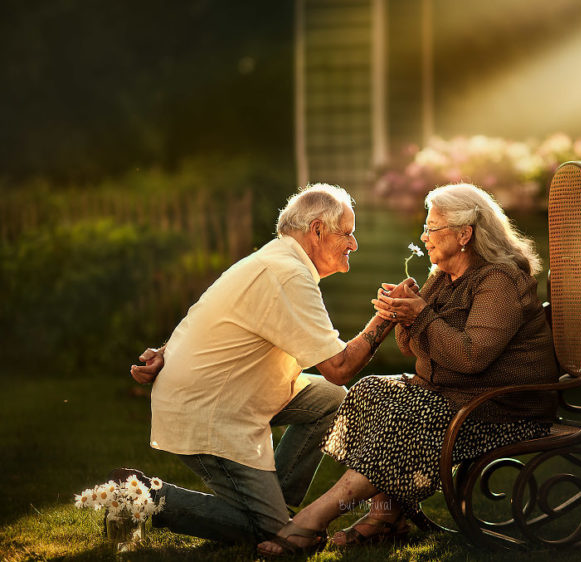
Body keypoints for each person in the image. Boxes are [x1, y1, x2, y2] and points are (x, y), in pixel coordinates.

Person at [257, 182, 559, 556]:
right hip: (456, 397)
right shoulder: (443, 277)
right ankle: (386, 517)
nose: (424, 236)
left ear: (464, 234)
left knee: (411, 414)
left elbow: (471, 357)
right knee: (373, 390)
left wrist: (420, 314)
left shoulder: (498, 280)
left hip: (501, 408)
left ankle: (311, 520)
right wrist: (401, 315)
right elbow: (412, 348)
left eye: (432, 228)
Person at [124, 183, 415, 545]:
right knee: (273, 531)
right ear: (318, 230)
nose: (354, 244)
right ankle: (138, 497)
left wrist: (165, 349)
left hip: (233, 393)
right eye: (348, 234)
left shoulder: (277, 260)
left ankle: (278, 508)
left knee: (332, 399)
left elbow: (209, 316)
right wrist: (387, 316)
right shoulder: (287, 273)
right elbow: (339, 366)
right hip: (209, 410)